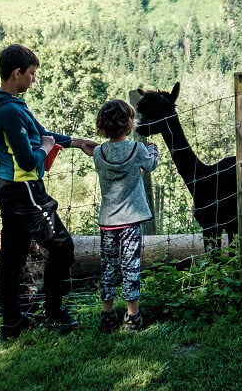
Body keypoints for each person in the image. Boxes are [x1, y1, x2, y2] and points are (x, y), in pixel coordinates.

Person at [0, 44, 97, 339]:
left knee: (13, 254)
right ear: (16, 73)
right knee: (61, 247)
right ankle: (54, 314)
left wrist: (76, 141)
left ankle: (12, 322)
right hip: (23, 188)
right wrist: (46, 148)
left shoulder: (11, 103)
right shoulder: (8, 110)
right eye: (31, 74)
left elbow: (42, 133)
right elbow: (29, 157)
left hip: (9, 185)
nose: (34, 79)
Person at [93, 99, 159, 333]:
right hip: (131, 220)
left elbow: (103, 167)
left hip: (108, 222)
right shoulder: (137, 149)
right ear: (129, 124)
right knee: (131, 266)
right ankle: (132, 317)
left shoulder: (99, 153)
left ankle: (108, 314)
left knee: (108, 267)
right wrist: (153, 149)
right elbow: (151, 165)